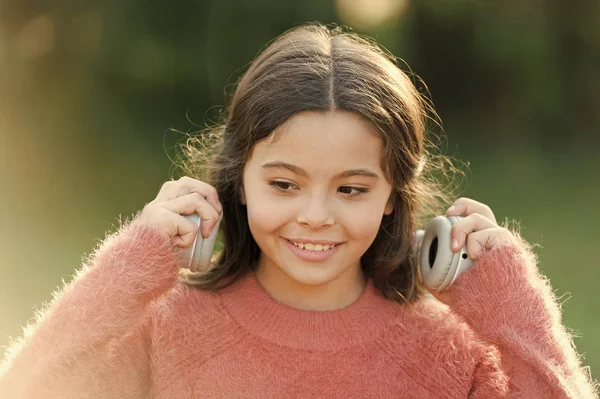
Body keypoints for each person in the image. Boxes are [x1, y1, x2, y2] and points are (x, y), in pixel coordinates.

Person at [0, 22, 597, 398]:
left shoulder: (448, 355)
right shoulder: (168, 330)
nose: (316, 215)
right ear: (237, 181)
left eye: (352, 189)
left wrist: (509, 297)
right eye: (285, 184)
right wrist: (134, 262)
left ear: (394, 196)